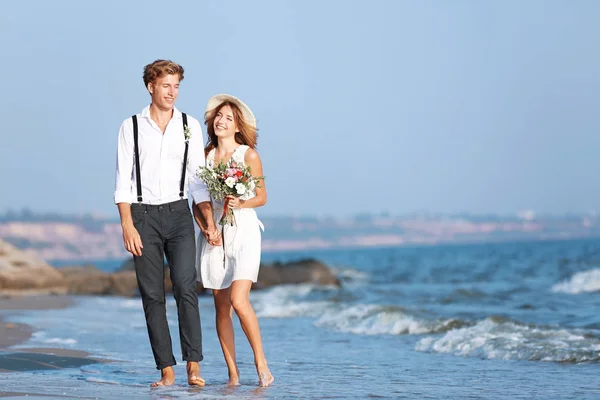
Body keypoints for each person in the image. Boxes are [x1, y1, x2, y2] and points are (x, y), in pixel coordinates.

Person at [114, 59, 221, 387]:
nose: (172, 92)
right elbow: (123, 182)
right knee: (152, 295)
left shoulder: (189, 125)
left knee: (186, 287)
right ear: (151, 87)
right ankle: (166, 370)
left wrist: (207, 221)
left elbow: (198, 182)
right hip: (143, 216)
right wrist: (127, 225)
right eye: (166, 85)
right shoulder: (130, 126)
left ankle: (193, 365)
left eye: (176, 86)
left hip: (178, 214)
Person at [193, 94, 274, 387]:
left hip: (244, 230)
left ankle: (260, 362)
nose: (221, 121)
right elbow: (197, 199)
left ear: (238, 126)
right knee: (221, 307)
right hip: (215, 233)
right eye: (218, 116)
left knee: (240, 301)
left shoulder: (248, 155)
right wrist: (206, 227)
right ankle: (233, 374)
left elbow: (262, 197)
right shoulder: (204, 157)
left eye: (228, 117)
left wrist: (241, 201)